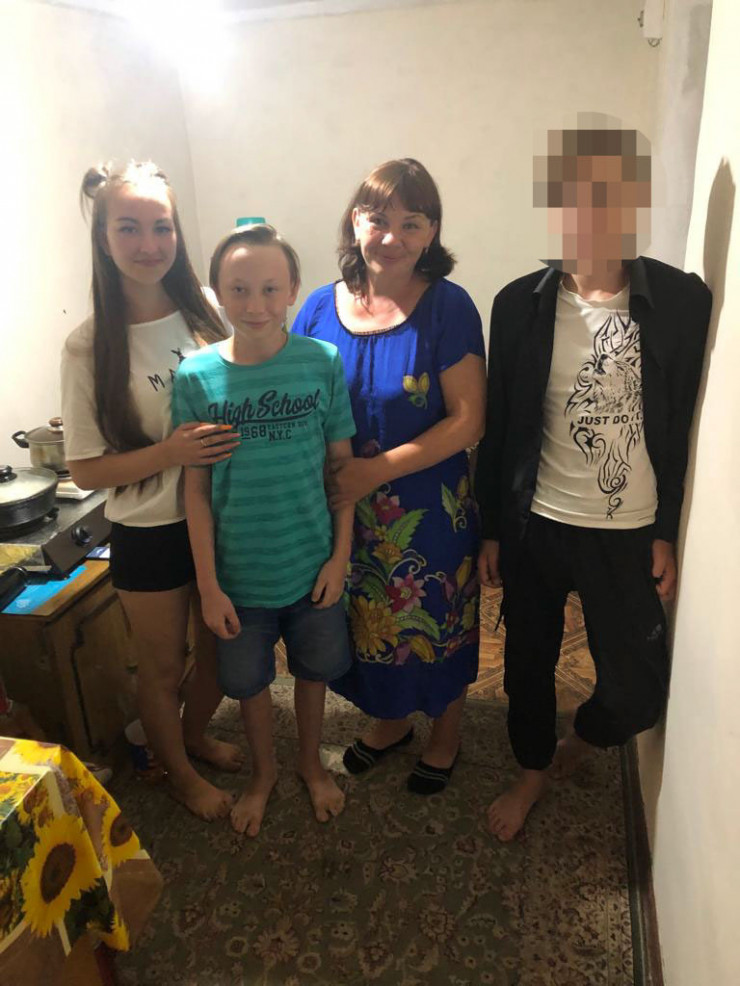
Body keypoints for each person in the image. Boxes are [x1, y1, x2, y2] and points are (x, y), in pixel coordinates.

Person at [475, 120, 712, 841]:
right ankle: (531, 771)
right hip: (537, 523)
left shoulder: (682, 302)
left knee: (638, 692)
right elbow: (501, 424)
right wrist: (492, 529)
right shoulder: (518, 303)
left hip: (628, 531)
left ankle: (578, 741)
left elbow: (680, 424)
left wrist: (666, 528)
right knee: (526, 665)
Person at [292, 158, 487, 795]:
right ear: (356, 222)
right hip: (342, 511)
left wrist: (373, 471)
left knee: (437, 622)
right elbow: (296, 400)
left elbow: (468, 420)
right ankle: (390, 723)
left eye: (412, 223)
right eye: (378, 219)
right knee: (367, 625)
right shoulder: (318, 308)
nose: (392, 237)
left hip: (427, 508)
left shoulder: (449, 306)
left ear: (432, 232)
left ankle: (445, 734)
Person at [61, 161, 243, 821]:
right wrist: (169, 454)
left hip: (224, 516)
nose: (148, 244)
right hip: (150, 531)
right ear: (103, 237)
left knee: (223, 655)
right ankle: (180, 775)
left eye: (161, 227)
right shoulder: (88, 347)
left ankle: (192, 737)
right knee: (162, 669)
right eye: (129, 228)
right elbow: (85, 470)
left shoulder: (209, 308)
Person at [172, 224, 356, 837]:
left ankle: (309, 763)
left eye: (271, 288)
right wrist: (209, 586)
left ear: (293, 290)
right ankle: (264, 773)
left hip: (312, 566)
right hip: (238, 578)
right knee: (249, 684)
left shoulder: (322, 362)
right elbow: (195, 491)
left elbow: (340, 472)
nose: (256, 304)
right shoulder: (195, 376)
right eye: (239, 289)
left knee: (313, 672)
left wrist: (339, 559)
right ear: (218, 293)